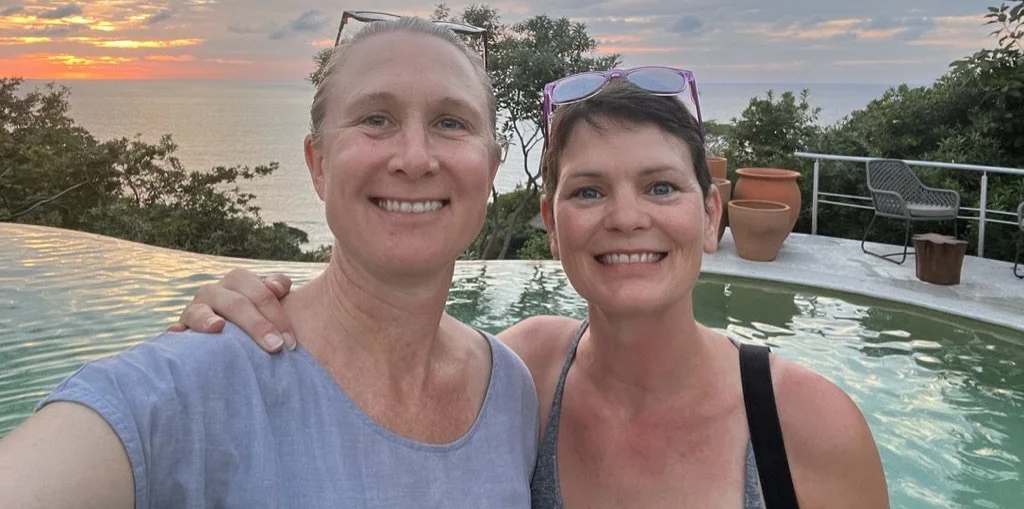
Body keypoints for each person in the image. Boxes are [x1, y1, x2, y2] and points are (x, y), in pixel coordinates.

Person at [174, 68, 890, 508]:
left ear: (710, 214)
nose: (626, 217)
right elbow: (381, 376)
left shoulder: (806, 426)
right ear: (551, 223)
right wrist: (244, 310)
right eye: (588, 191)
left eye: (661, 186)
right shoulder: (524, 376)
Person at [0, 17, 539, 508]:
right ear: (318, 164)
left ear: (490, 170)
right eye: (376, 119)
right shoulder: (196, 383)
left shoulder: (509, 391)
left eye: (451, 123)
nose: (415, 158)